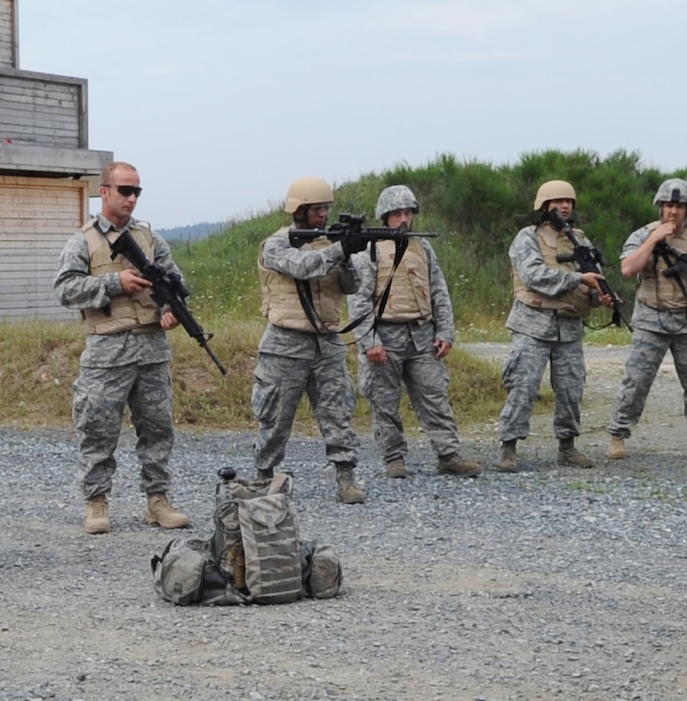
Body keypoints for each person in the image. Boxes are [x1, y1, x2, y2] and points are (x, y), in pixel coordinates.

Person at [51, 161, 192, 534]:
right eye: (124, 190)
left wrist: (170, 310)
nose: (131, 198)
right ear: (105, 192)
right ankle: (97, 502)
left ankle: (158, 500)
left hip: (151, 349)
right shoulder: (83, 241)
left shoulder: (150, 239)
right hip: (107, 352)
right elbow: (65, 289)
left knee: (158, 430)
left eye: (136, 192)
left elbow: (174, 283)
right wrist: (114, 284)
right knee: (98, 429)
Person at [350, 184, 482, 479]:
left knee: (435, 395)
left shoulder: (422, 246)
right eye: (397, 213)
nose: (404, 219)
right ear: (385, 216)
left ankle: (448, 454)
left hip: (422, 335)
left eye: (408, 212)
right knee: (384, 400)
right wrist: (370, 341)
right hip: (385, 335)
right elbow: (358, 300)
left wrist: (446, 332)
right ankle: (394, 458)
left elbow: (439, 291)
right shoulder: (369, 250)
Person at [253, 176, 366, 504]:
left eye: (326, 208)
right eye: (316, 209)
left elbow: (352, 285)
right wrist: (340, 249)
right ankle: (263, 477)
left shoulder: (328, 244)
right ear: (298, 211)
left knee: (338, 410)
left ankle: (346, 476)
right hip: (285, 343)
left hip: (327, 341)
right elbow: (301, 267)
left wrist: (346, 256)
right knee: (275, 416)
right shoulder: (276, 243)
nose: (322, 215)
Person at [606, 178, 687, 462]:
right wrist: (654, 239)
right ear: (660, 207)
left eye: (680, 206)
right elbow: (628, 268)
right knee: (636, 381)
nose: (674, 212)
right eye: (669, 205)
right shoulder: (643, 234)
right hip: (652, 319)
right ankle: (618, 435)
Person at [496, 179, 612, 472]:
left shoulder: (579, 240)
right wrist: (578, 279)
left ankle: (567, 447)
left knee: (572, 388)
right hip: (533, 324)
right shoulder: (527, 238)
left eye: (569, 201)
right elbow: (535, 276)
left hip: (570, 327)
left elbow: (592, 279)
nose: (565, 206)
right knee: (523, 386)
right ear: (544, 206)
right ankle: (508, 448)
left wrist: (601, 296)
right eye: (558, 201)